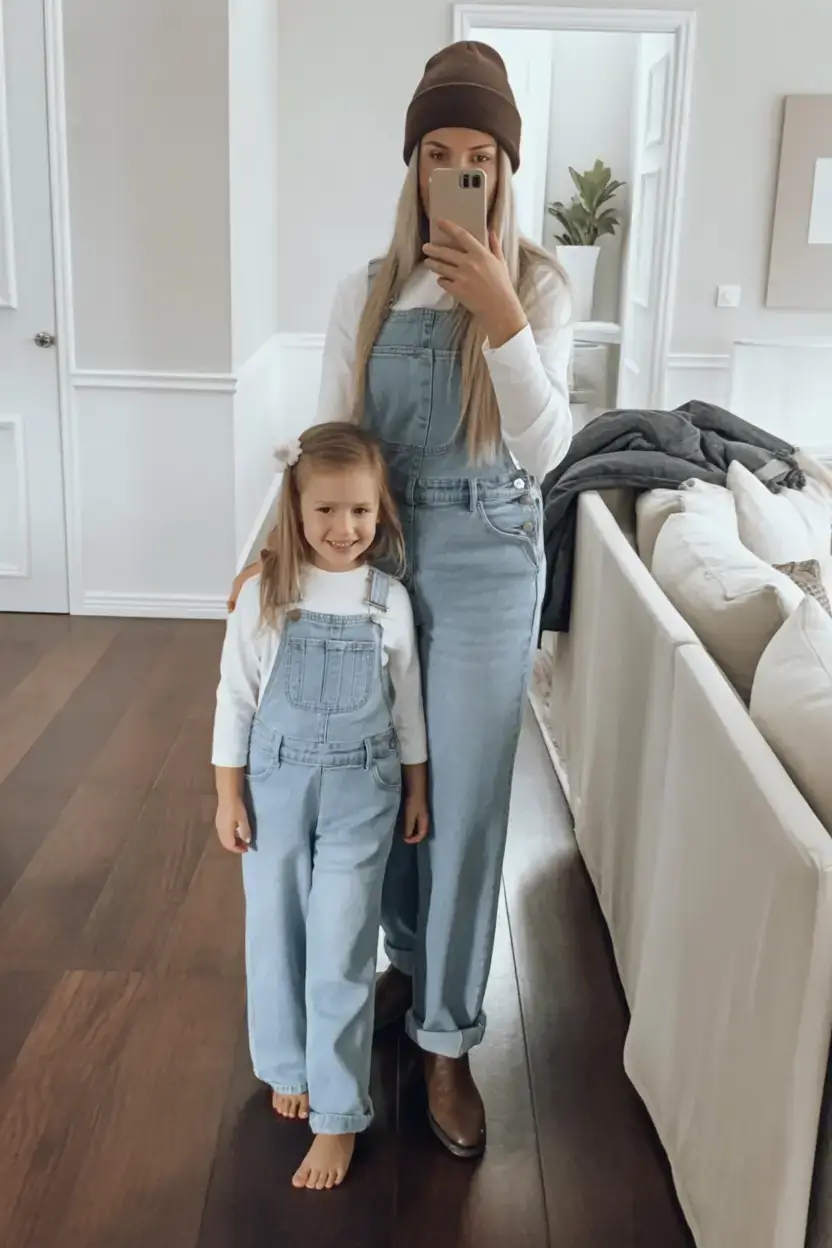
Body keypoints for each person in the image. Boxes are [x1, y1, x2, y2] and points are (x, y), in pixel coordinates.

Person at [229, 41, 572, 1159]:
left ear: (505, 169)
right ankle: (403, 969)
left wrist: (502, 320)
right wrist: (263, 551)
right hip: (371, 552)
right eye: (439, 153)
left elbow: (549, 451)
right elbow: (329, 448)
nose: (459, 170)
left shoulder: (541, 285)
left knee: (465, 805)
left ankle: (447, 1039)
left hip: (487, 558)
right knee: (379, 783)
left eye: (481, 155)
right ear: (412, 166)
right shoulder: (363, 291)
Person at [213, 422, 429, 1191]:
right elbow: (235, 696)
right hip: (274, 781)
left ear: (382, 512)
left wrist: (417, 786)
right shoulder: (267, 593)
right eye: (326, 512)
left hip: (362, 791)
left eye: (362, 513)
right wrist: (227, 793)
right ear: (295, 512)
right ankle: (285, 1063)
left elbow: (408, 706)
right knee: (275, 927)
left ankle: (338, 1114)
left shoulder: (388, 600)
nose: (345, 530)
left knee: (342, 942)